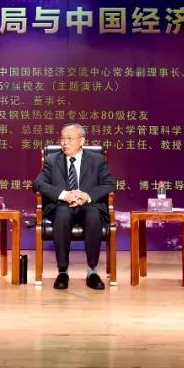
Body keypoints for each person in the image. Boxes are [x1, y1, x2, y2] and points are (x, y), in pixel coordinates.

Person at [33, 123, 115, 291]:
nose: (64, 143)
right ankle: (62, 271)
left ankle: (92, 272)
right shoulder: (52, 160)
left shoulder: (97, 160)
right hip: (62, 205)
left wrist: (86, 196)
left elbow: (109, 184)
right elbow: (38, 183)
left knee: (93, 216)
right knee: (62, 214)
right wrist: (64, 195)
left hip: (88, 204)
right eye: (62, 139)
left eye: (69, 139)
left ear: (82, 141)